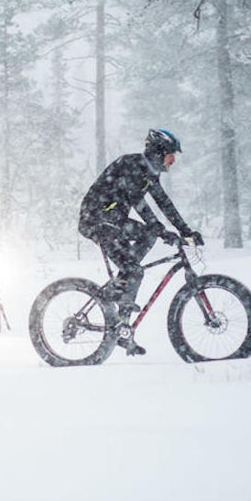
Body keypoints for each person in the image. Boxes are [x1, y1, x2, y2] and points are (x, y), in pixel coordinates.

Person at [78, 128, 203, 356]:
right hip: (97, 220)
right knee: (142, 249)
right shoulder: (131, 165)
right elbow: (139, 203)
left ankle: (122, 330)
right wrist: (163, 231)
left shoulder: (148, 174)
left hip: (113, 222)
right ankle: (123, 280)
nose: (173, 160)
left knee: (135, 271)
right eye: (171, 154)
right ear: (159, 151)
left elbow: (164, 203)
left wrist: (186, 231)